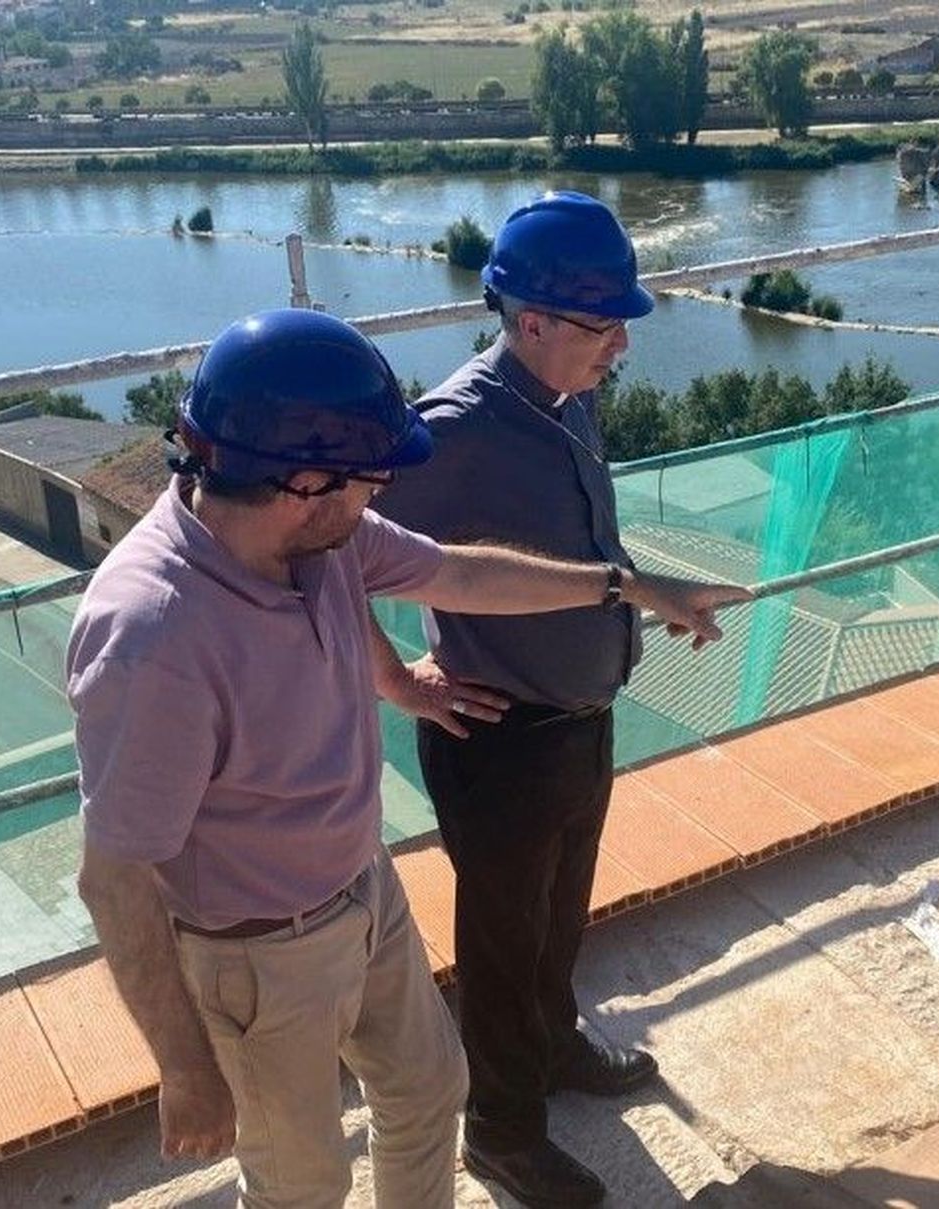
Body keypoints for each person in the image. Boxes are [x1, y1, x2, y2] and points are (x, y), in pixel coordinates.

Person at [67, 308, 746, 1209]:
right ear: (306, 480)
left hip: (363, 889)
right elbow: (115, 880)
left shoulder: (323, 537)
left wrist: (628, 585)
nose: (380, 495)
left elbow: (459, 575)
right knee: (302, 1184)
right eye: (369, 479)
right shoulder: (153, 635)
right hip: (257, 953)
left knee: (429, 1095)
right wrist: (186, 1065)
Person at [370, 191, 702, 1208]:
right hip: (498, 739)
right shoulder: (452, 431)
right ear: (530, 323)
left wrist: (649, 594)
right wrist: (395, 680)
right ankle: (502, 1136)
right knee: (502, 949)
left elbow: (587, 546)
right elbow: (328, 555)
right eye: (601, 328)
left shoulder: (570, 400)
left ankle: (554, 1054)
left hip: (579, 721)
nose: (617, 350)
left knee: (558, 921)